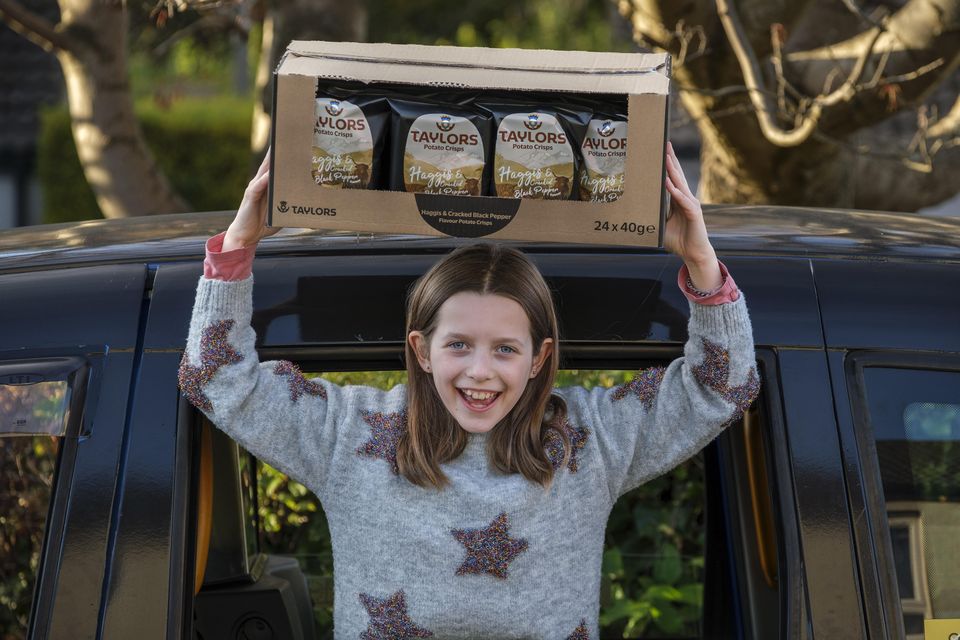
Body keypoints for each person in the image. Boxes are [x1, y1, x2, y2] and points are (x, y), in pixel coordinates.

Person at [178, 141, 759, 639]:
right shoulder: (346, 434)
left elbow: (720, 389)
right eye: (459, 345)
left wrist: (701, 261)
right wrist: (239, 244)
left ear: (539, 360)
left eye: (505, 349)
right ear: (421, 350)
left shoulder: (590, 440)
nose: (480, 371)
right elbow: (217, 379)